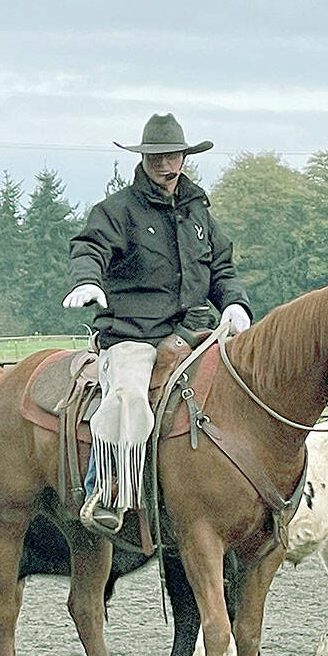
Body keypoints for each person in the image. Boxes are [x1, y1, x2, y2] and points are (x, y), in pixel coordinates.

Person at [64, 112, 252, 530]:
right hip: (135, 334)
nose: (166, 166)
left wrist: (236, 304)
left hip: (196, 330)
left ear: (184, 157)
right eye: (157, 158)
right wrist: (89, 280)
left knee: (248, 388)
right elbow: (89, 248)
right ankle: (109, 492)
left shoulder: (198, 211)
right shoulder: (116, 211)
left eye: (173, 156)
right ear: (144, 159)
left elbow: (222, 268)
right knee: (128, 397)